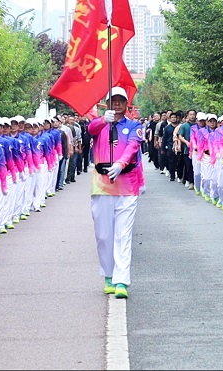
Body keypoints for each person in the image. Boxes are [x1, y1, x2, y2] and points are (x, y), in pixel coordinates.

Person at [88, 86, 144, 299]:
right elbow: (90, 129)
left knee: (123, 234)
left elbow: (132, 147)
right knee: (104, 235)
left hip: (127, 184)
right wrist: (104, 120)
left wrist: (120, 164)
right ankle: (109, 275)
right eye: (114, 100)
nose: (118, 104)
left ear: (126, 103)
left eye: (121, 100)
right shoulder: (99, 124)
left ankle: (121, 280)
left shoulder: (134, 126)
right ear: (108, 103)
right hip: (101, 184)